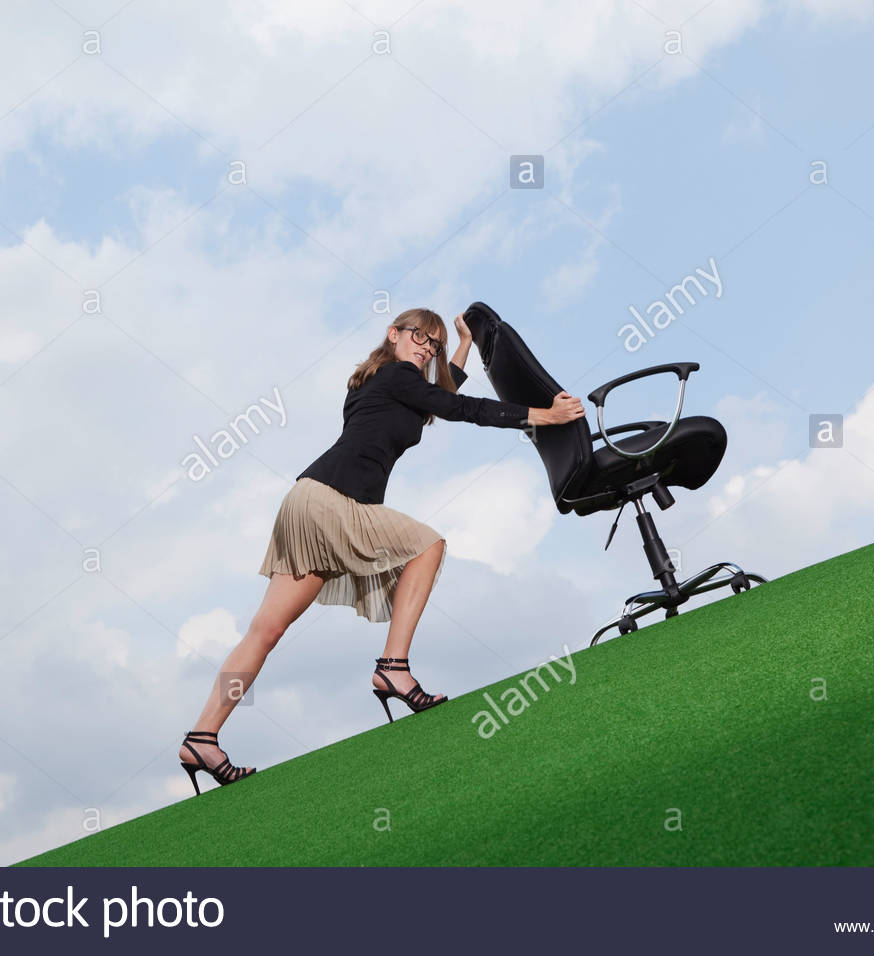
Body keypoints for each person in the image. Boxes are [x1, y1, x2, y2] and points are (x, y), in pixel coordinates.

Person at [178, 308, 586, 795]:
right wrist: (545, 415)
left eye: (431, 345)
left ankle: (203, 736)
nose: (426, 348)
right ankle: (393, 668)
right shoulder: (396, 375)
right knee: (427, 545)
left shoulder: (379, 382)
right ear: (394, 335)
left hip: (308, 499)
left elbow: (441, 397)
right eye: (420, 337)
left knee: (264, 631)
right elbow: (463, 409)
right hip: (335, 501)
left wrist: (460, 344)